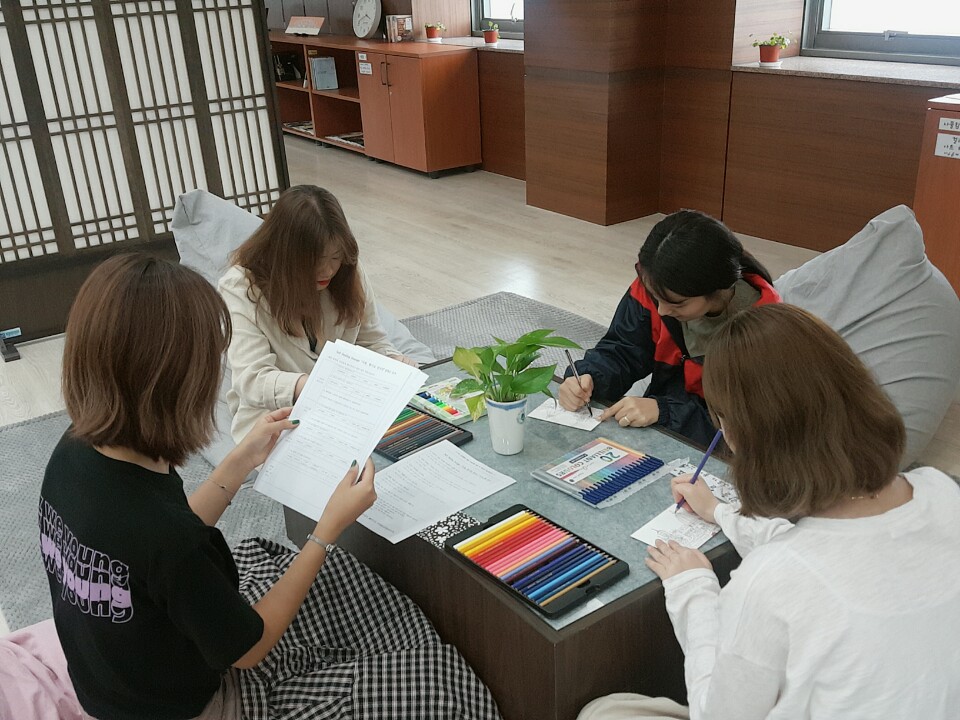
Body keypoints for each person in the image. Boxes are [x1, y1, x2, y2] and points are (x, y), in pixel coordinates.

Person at [40, 255, 500, 720]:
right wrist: (324, 532)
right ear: (174, 382)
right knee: (440, 679)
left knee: (330, 585)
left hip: (112, 682)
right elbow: (249, 649)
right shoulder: (166, 539)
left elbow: (158, 549)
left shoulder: (75, 451)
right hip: (189, 707)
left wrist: (241, 459)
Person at [578, 304, 960, 720]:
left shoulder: (771, 580)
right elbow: (834, 556)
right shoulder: (941, 489)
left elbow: (716, 713)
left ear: (741, 433)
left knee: (604, 712)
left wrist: (693, 589)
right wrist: (721, 512)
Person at [558, 210, 779, 446]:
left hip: (716, 448)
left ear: (716, 290)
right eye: (657, 298)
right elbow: (623, 349)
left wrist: (665, 411)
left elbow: (749, 425)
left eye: (677, 303)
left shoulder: (765, 331)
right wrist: (589, 376)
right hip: (663, 424)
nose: (662, 310)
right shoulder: (658, 285)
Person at [219, 184, 418, 442]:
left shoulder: (348, 271)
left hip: (348, 406)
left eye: (335, 257)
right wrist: (315, 385)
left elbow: (371, 341)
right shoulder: (242, 287)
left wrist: (393, 362)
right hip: (278, 418)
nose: (327, 271)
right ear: (284, 255)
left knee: (415, 440)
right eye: (313, 261)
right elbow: (253, 380)